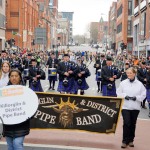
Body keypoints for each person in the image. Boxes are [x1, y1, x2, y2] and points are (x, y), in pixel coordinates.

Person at [116, 67, 146, 148]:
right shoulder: (123, 83)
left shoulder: (140, 84)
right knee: (127, 123)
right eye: (127, 73)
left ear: (134, 73)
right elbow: (118, 92)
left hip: (135, 107)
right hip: (125, 106)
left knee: (133, 124)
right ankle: (124, 141)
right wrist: (125, 96)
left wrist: (136, 98)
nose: (128, 74)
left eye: (130, 73)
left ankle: (131, 140)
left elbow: (143, 94)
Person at [3, 69, 30, 150]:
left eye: (16, 76)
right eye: (12, 76)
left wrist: (28, 115)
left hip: (21, 125)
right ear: (9, 78)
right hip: (8, 125)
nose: (14, 78)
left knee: (17, 145)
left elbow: (32, 107)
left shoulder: (26, 91)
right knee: (10, 146)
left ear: (20, 78)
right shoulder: (4, 91)